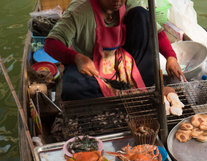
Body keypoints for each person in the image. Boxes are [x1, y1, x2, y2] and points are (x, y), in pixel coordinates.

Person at [44, 0, 185, 100]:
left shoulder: (128, 2)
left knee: (142, 14)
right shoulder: (79, 10)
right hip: (90, 68)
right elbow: (51, 43)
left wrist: (170, 57)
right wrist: (77, 58)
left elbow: (156, 31)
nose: (117, 1)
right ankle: (135, 93)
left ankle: (143, 86)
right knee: (71, 90)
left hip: (122, 62)